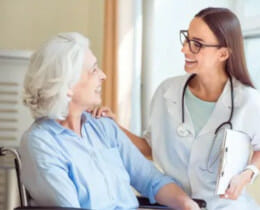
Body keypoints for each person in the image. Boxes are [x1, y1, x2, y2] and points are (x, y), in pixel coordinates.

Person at [93, 7, 260, 210]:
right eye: (186, 39)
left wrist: (249, 172)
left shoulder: (248, 100)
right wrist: (115, 127)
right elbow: (150, 148)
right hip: (176, 204)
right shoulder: (167, 92)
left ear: (223, 54)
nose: (185, 49)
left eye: (197, 44)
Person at [19, 32, 200, 210]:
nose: (103, 75)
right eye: (93, 70)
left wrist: (186, 204)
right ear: (67, 86)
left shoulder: (103, 126)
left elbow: (152, 180)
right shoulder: (41, 143)